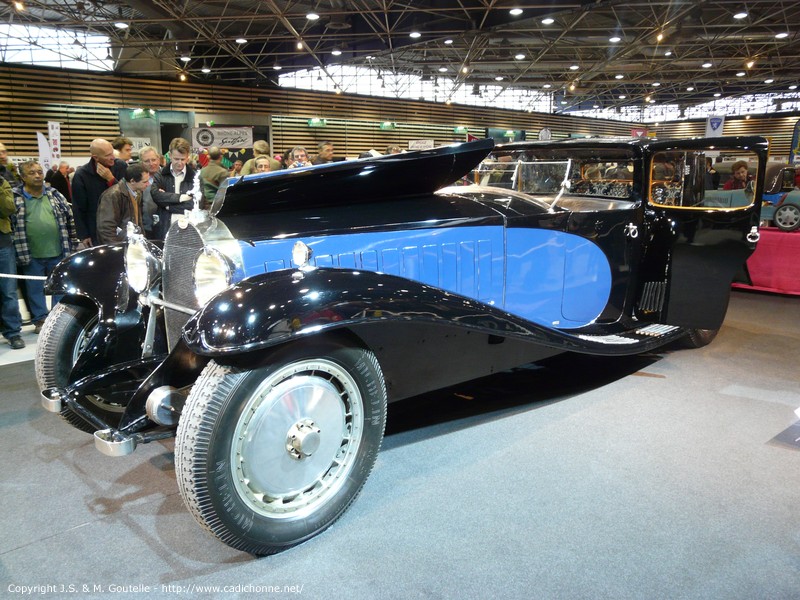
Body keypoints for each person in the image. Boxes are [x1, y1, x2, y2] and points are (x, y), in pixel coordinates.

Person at [12, 161, 79, 333]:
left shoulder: (54, 194)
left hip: (58, 249)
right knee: (35, 290)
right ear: (23, 177)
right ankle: (40, 320)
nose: (37, 176)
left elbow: (69, 218)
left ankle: (58, 319)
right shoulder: (15, 197)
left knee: (59, 287)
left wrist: (72, 242)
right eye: (32, 173)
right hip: (29, 253)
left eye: (39, 172)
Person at [71, 138, 128, 246]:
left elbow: (128, 195)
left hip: (121, 227)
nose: (112, 157)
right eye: (107, 155)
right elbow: (79, 208)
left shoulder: (121, 166)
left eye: (112, 152)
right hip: (96, 230)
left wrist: (111, 179)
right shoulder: (81, 175)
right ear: (96, 158)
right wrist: (84, 235)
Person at [150, 137, 197, 240]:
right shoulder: (161, 174)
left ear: (187, 157)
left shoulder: (195, 177)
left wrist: (168, 206)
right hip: (165, 227)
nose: (179, 163)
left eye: (182, 159)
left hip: (188, 229)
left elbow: (194, 204)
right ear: (170, 156)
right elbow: (155, 195)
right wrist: (181, 198)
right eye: (176, 159)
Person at [96, 163, 149, 244]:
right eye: (144, 182)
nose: (148, 184)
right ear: (132, 181)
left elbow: (138, 221)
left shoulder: (138, 192)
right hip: (119, 245)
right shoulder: (112, 195)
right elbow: (106, 228)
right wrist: (115, 248)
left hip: (132, 243)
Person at [0, 177, 25, 349]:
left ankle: (13, 332)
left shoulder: (2, 182)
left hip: (2, 243)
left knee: (8, 291)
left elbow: (9, 208)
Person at [138, 146, 161, 239]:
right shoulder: (136, 179)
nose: (151, 163)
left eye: (153, 159)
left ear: (159, 159)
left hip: (165, 225)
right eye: (147, 161)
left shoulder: (168, 176)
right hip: (145, 228)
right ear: (141, 163)